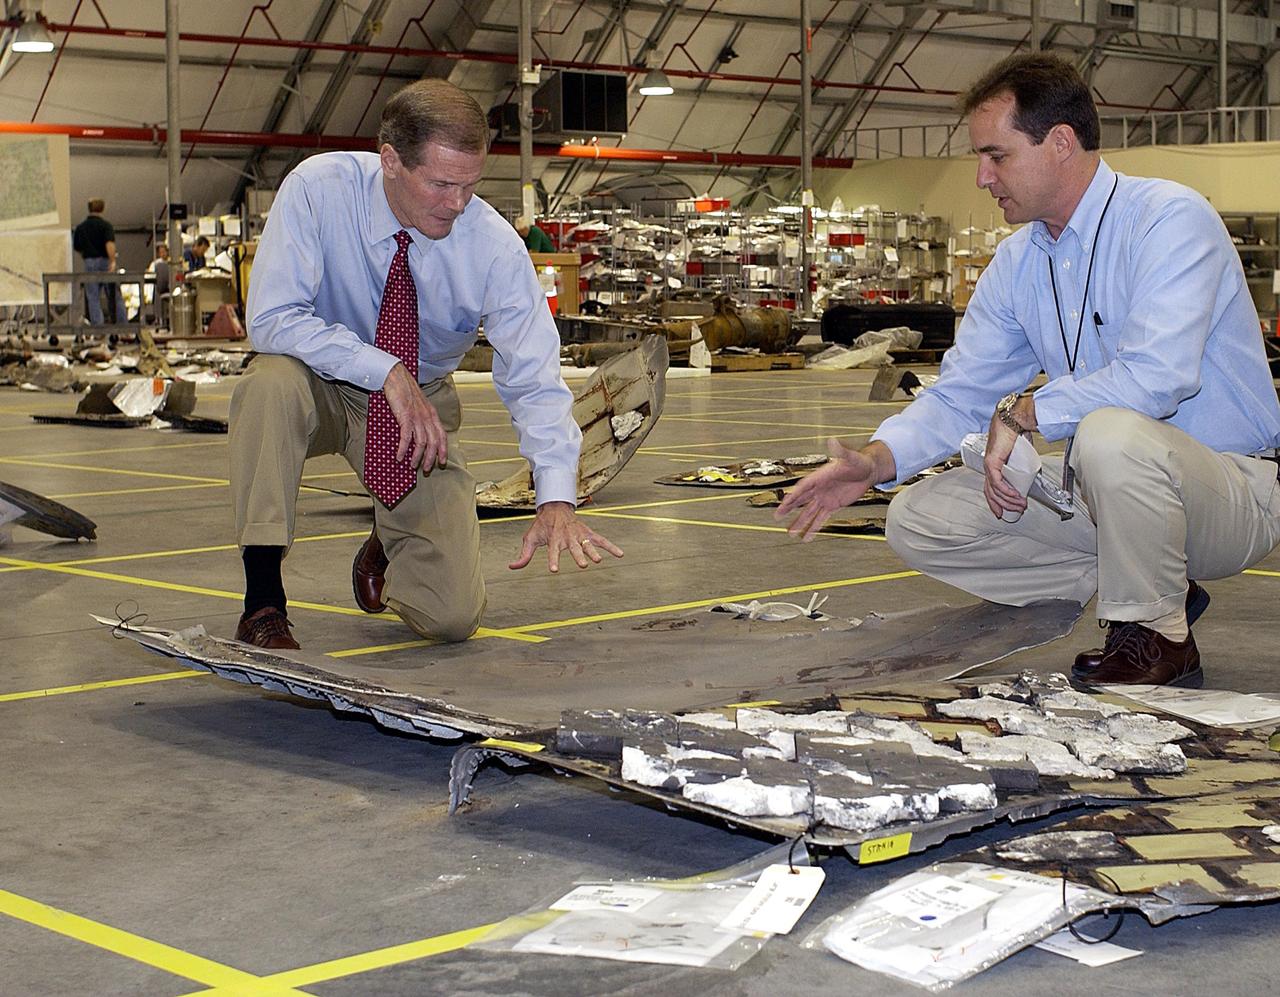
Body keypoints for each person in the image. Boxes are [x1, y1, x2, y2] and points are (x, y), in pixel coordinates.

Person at [778, 53, 1280, 689]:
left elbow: (1158, 377)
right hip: (1114, 490)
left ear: (1061, 143)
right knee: (921, 518)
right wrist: (875, 462)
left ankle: (1158, 635)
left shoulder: (1169, 220)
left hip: (1232, 489)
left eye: (997, 156)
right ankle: (1147, 582)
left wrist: (1026, 412)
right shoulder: (1018, 263)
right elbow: (961, 393)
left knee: (1109, 432)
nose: (984, 178)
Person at [229, 78, 621, 650]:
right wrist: (383, 369)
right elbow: (270, 319)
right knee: (267, 385)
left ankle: (387, 539)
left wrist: (555, 495)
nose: (458, 204)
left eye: (470, 185)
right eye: (441, 184)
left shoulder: (491, 245)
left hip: (421, 401)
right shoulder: (317, 189)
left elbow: (534, 375)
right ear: (390, 161)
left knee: (452, 618)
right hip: (315, 380)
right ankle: (262, 601)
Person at [72, 198, 126, 324]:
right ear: (102, 209)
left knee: (93, 296)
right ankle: (123, 326)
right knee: (114, 295)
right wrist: (112, 261)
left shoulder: (81, 227)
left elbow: (78, 247)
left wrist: (87, 256)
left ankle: (98, 328)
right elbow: (109, 245)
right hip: (105, 261)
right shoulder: (106, 226)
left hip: (89, 262)